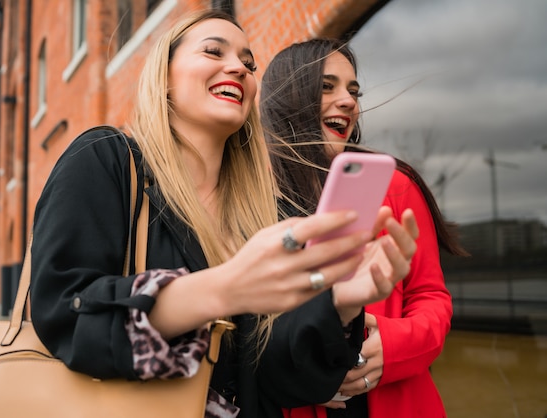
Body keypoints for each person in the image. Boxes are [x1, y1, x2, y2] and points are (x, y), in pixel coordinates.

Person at [29, 11, 419, 418]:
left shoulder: (268, 212)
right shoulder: (106, 159)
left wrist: (341, 302)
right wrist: (223, 289)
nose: (239, 67)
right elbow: (63, 314)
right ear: (163, 76)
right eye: (214, 51)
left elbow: (280, 382)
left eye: (249, 64)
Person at [260, 38, 468, 418]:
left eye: (353, 91)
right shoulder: (250, 201)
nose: (349, 101)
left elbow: (431, 297)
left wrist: (392, 346)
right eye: (327, 86)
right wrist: (301, 378)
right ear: (287, 97)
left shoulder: (395, 185)